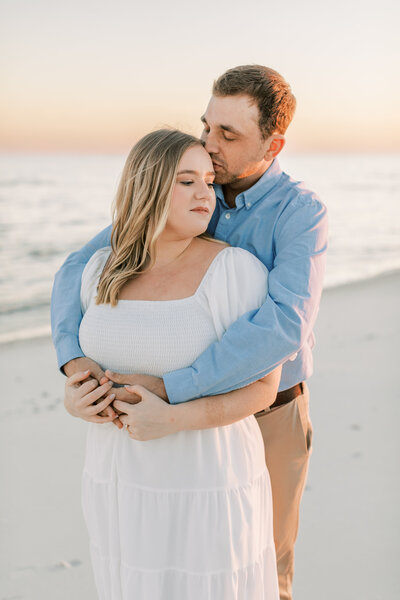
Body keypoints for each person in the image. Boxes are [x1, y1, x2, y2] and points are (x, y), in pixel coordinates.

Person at [51, 65, 328, 600]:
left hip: (269, 410)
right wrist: (73, 362)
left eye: (229, 135)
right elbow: (77, 269)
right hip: (151, 423)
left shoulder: (299, 212)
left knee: (263, 564)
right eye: (207, 126)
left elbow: (283, 326)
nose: (210, 145)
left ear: (274, 143)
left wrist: (172, 386)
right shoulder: (186, 184)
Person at [63, 128, 281, 598]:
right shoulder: (100, 269)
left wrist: (174, 417)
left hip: (205, 480)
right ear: (147, 184)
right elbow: (84, 365)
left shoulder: (235, 272)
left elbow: (264, 386)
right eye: (186, 182)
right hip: (117, 480)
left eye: (208, 180)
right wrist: (77, 401)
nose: (206, 194)